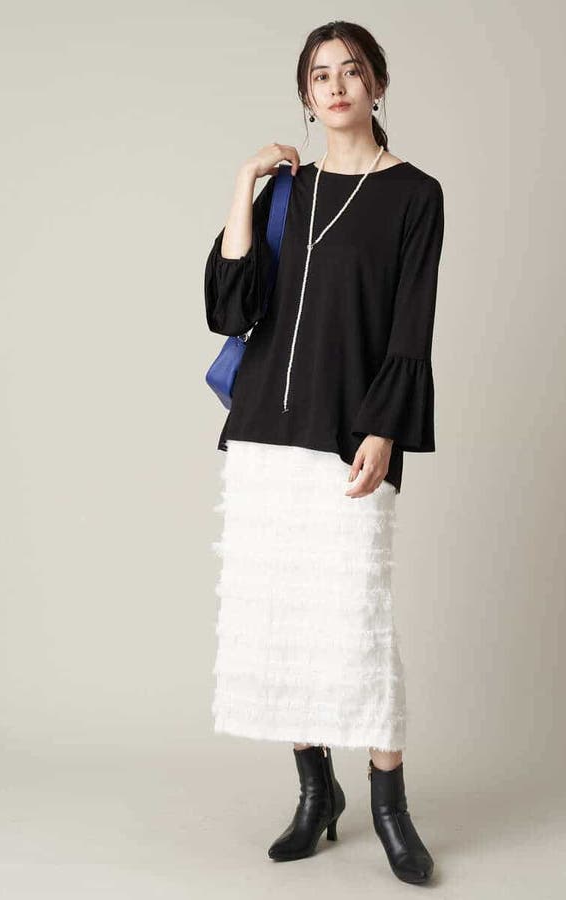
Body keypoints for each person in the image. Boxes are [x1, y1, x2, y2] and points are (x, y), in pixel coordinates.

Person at [204, 20, 444, 886]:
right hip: (264, 430)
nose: (336, 86)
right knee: (280, 620)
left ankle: (389, 804)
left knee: (355, 622)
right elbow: (230, 308)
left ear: (377, 83)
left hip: (350, 432)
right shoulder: (286, 192)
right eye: (319, 75)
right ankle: (316, 794)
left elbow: (411, 326)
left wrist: (384, 426)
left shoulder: (415, 194)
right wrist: (245, 184)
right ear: (306, 96)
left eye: (351, 71)